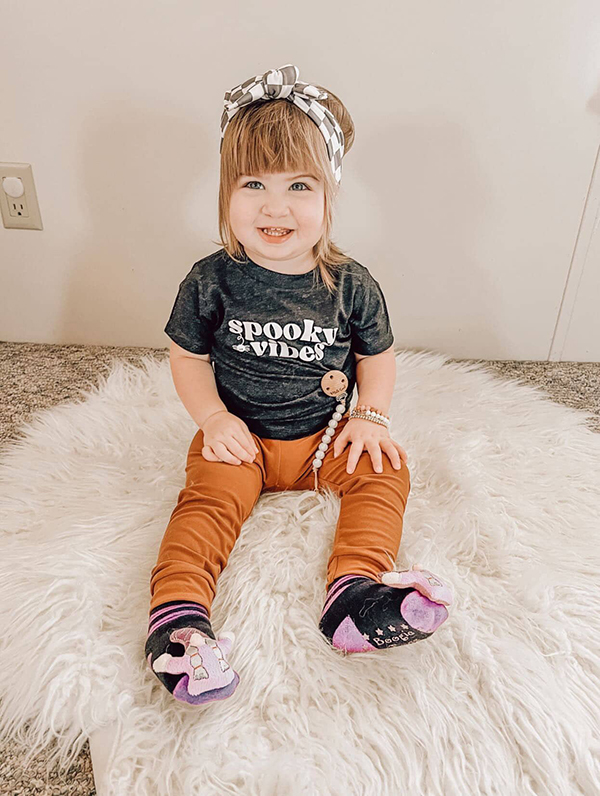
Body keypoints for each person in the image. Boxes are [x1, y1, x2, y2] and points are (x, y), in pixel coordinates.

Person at [144, 64, 453, 706]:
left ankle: (355, 596)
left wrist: (370, 415)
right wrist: (211, 419)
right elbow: (186, 356)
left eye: (299, 186)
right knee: (203, 506)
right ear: (227, 191)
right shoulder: (211, 280)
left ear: (328, 197)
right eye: (252, 183)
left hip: (324, 438)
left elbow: (379, 356)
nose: (274, 206)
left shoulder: (351, 284)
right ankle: (178, 620)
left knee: (386, 471)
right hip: (242, 442)